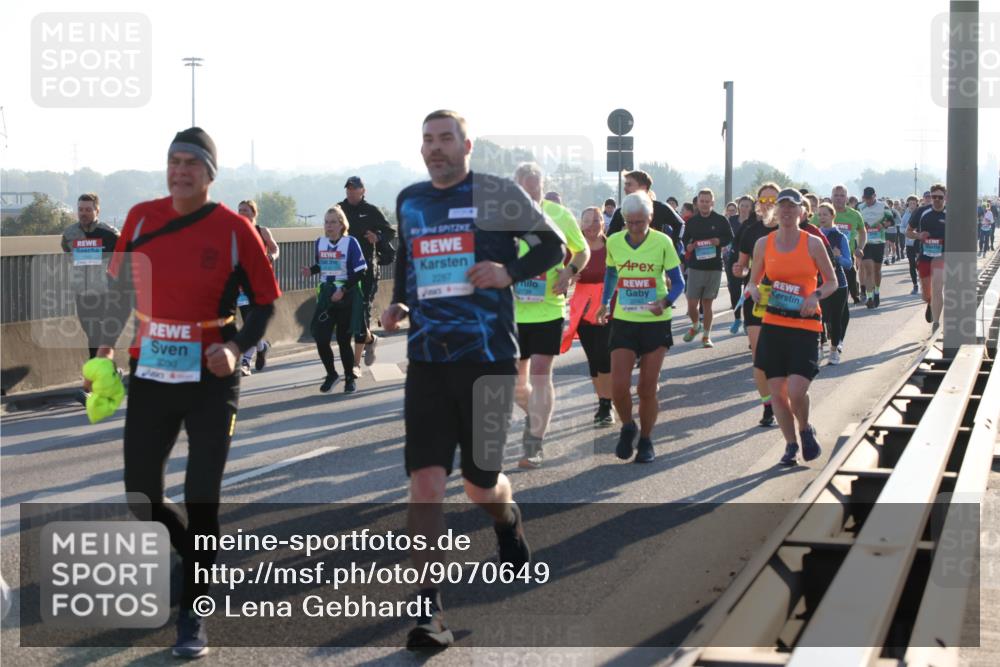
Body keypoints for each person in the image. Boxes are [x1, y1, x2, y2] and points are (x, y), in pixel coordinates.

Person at [89, 127, 281, 657]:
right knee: (139, 494)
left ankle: (194, 610)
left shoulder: (234, 228)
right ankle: (196, 556)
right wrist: (102, 353)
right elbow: (118, 292)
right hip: (150, 371)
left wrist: (237, 347)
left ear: (209, 174)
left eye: (191, 163)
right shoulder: (141, 218)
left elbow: (265, 302)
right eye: (173, 161)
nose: (180, 170)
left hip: (211, 379)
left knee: (201, 494)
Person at [381, 110, 565, 650]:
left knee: (481, 485)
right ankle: (429, 613)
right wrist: (395, 302)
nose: (435, 148)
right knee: (426, 486)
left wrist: (509, 272)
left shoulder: (498, 193)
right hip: (428, 362)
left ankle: (507, 520)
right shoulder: (411, 200)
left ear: (467, 144)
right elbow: (405, 258)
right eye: (428, 140)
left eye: (446, 139)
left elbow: (554, 248)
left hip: (487, 360)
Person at [747, 189, 837, 466]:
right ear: (776, 210)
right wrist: (753, 290)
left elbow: (831, 281)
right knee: (778, 393)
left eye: (792, 207)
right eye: (782, 206)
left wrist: (815, 296)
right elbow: (753, 280)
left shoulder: (812, 244)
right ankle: (789, 445)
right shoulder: (764, 243)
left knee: (797, 391)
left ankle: (805, 427)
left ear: (802, 211)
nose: (786, 211)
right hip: (773, 325)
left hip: (805, 326)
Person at [595, 191, 685, 463]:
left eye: (640, 222)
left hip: (655, 322)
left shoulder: (662, 242)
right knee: (619, 386)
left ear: (650, 218)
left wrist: (666, 301)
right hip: (624, 319)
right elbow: (611, 272)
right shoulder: (614, 242)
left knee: (646, 388)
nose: (634, 228)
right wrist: (604, 302)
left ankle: (645, 440)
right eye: (630, 223)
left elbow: (678, 282)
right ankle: (627, 425)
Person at [512, 162, 589, 468]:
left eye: (537, 191)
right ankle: (536, 414)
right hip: (512, 311)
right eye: (525, 193)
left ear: (543, 188)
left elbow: (582, 250)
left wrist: (570, 271)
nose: (532, 198)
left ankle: (534, 444)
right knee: (513, 383)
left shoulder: (559, 215)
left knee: (542, 374)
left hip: (548, 309)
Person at [60, 193, 121, 404]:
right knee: (92, 335)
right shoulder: (69, 234)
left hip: (105, 294)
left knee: (98, 336)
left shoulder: (110, 234)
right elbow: (68, 254)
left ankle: (91, 386)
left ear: (97, 211)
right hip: (82, 294)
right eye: (80, 209)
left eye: (88, 209)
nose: (83, 213)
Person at [302, 205, 367, 394]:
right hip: (326, 296)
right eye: (326, 222)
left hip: (346, 295)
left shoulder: (350, 243)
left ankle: (349, 377)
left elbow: (361, 271)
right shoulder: (320, 242)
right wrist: (311, 270)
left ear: (341, 224)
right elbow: (322, 264)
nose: (328, 226)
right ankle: (331, 374)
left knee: (343, 340)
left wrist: (343, 290)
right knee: (320, 337)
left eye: (333, 222)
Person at [732, 183, 780, 426]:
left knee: (781, 356)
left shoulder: (791, 229)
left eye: (773, 199)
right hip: (757, 298)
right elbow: (742, 267)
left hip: (785, 298)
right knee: (759, 356)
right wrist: (740, 271)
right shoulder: (750, 231)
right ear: (757, 204)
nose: (768, 204)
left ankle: (783, 398)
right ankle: (768, 405)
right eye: (764, 200)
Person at [561, 206, 614, 426]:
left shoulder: (613, 246)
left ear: (604, 223)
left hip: (608, 307)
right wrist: (571, 278)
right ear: (580, 224)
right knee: (593, 358)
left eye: (597, 220)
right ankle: (602, 402)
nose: (592, 225)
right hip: (582, 310)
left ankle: (607, 404)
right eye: (587, 221)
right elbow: (560, 280)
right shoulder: (574, 250)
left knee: (604, 356)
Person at [338, 176, 396, 371]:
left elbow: (390, 232)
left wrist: (377, 237)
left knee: (362, 312)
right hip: (344, 271)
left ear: (363, 191)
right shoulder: (339, 210)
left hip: (368, 269)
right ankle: (370, 340)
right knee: (346, 316)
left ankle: (354, 365)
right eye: (348, 188)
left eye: (354, 188)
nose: (351, 191)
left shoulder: (371, 211)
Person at [681, 188, 733, 347]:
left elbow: (729, 237)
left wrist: (719, 241)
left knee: (707, 304)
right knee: (691, 305)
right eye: (701, 201)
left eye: (707, 201)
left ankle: (706, 336)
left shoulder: (721, 220)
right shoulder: (691, 221)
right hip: (696, 266)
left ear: (712, 202)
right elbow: (685, 241)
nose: (704, 204)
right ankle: (696, 325)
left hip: (714, 267)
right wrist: (689, 246)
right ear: (697, 203)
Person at [235, 199, 279, 376]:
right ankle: (262, 346)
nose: (242, 213)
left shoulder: (262, 231)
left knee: (249, 324)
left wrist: (271, 257)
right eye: (240, 210)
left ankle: (245, 362)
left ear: (254, 213)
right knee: (249, 325)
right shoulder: (234, 232)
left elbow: (275, 249)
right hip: (239, 286)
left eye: (246, 210)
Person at [907, 183, 948, 332]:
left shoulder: (950, 213)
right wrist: (919, 235)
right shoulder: (921, 212)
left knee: (937, 287)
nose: (936, 200)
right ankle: (930, 303)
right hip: (924, 255)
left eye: (940, 197)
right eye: (933, 197)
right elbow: (908, 232)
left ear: (945, 197)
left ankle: (936, 323)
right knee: (926, 294)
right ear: (929, 197)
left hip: (942, 255)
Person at [606, 169, 685, 245]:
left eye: (629, 185)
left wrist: (672, 245)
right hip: (629, 258)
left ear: (643, 188)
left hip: (655, 257)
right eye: (625, 185)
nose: (625, 188)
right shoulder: (620, 212)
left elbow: (680, 225)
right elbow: (609, 239)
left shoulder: (661, 208)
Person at [816, 203, 852, 364]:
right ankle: (818, 346)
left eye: (825, 214)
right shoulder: (815, 236)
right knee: (820, 316)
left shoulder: (840, 237)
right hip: (820, 282)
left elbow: (848, 264)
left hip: (839, 283)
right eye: (820, 214)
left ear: (832, 216)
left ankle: (834, 350)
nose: (822, 217)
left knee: (836, 318)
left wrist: (838, 257)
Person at [856, 186, 892, 308]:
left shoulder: (883, 206)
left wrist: (883, 224)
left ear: (874, 196)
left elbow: (891, 220)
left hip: (879, 241)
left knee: (876, 270)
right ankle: (870, 297)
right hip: (865, 242)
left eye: (870, 198)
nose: (868, 201)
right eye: (866, 198)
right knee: (868, 270)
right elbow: (855, 222)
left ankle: (876, 291)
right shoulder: (860, 207)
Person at [831, 185, 867, 304]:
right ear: (831, 197)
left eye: (842, 196)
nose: (839, 198)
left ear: (846, 198)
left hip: (847, 257)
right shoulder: (824, 213)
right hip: (826, 258)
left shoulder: (855, 214)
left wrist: (860, 247)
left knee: (843, 295)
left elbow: (862, 232)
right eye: (836, 195)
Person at [725, 195, 753, 334]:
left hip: (750, 260)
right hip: (734, 258)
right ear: (738, 206)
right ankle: (737, 318)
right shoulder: (732, 220)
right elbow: (726, 237)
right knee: (734, 289)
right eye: (742, 205)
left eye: (748, 206)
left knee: (748, 290)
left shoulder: (754, 222)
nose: (744, 208)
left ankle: (748, 321)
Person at [901, 196, 921, 295]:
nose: (912, 205)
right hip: (909, 243)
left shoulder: (920, 213)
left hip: (918, 242)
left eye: (914, 203)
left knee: (920, 264)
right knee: (911, 264)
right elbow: (901, 227)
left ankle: (922, 281)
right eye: (910, 203)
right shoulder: (906, 215)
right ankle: (915, 285)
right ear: (908, 204)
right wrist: (907, 232)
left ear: (917, 203)